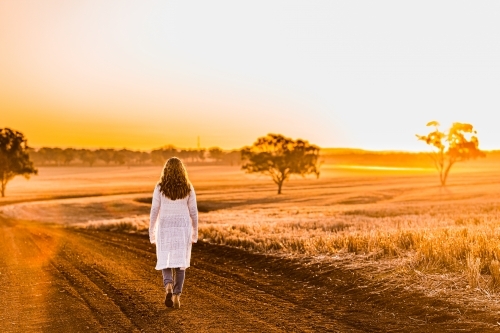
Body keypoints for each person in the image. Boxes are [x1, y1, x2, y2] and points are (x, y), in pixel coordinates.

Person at [149, 157, 198, 309]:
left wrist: (152, 231)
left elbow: (154, 211)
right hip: (182, 227)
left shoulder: (159, 187)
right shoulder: (188, 187)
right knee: (180, 263)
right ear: (182, 171)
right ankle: (177, 295)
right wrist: (195, 231)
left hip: (164, 226)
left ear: (166, 171)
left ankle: (168, 285)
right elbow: (193, 212)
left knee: (165, 258)